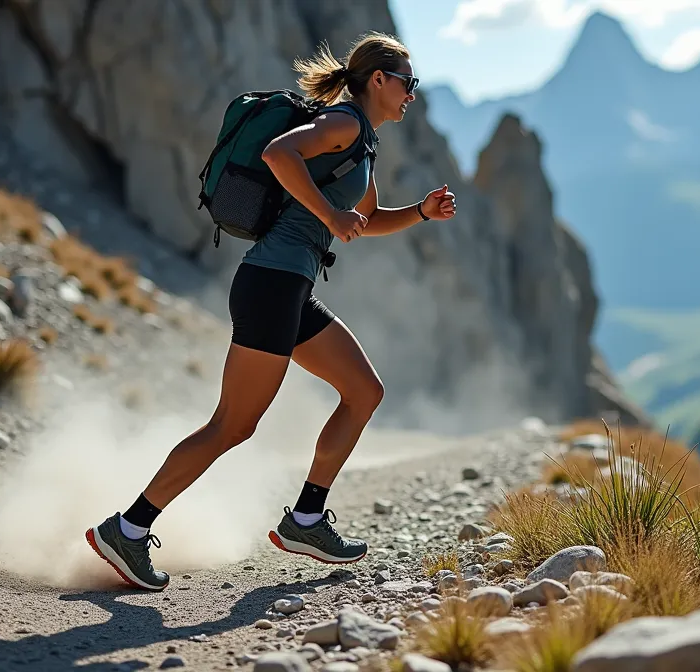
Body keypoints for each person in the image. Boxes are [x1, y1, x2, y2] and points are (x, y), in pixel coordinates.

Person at [85, 32, 456, 591]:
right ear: (379, 80)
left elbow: (370, 218)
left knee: (364, 391)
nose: (412, 95)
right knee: (233, 425)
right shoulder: (345, 124)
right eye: (408, 83)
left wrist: (421, 214)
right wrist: (332, 217)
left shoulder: (364, 143)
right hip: (271, 284)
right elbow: (277, 153)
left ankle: (306, 518)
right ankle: (128, 529)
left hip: (290, 289)